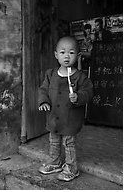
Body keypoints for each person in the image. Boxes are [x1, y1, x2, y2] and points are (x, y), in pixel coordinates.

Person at [38, 36, 93, 182]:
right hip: (54, 117)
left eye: (71, 53)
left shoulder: (80, 77)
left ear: (78, 55)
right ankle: (55, 163)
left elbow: (88, 92)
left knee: (68, 143)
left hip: (70, 119)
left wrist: (79, 96)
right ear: (56, 55)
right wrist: (43, 101)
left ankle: (72, 168)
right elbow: (43, 89)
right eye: (62, 52)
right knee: (54, 141)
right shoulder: (50, 74)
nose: (66, 56)